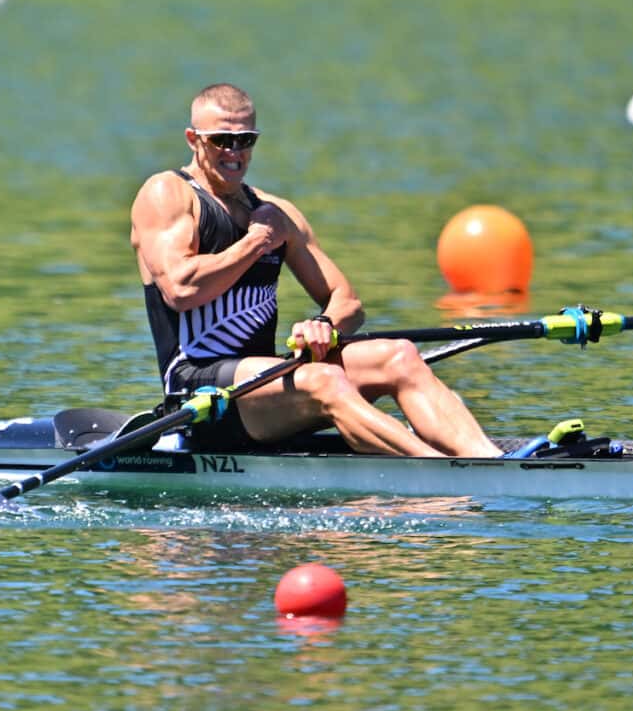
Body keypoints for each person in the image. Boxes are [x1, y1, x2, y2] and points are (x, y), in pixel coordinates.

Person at [130, 83, 502, 457]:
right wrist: (257, 241)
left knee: (400, 356)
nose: (235, 152)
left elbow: (347, 302)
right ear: (193, 139)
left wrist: (323, 324)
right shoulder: (168, 193)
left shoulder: (276, 211)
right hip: (200, 393)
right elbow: (181, 289)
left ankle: (489, 461)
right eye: (222, 140)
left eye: (245, 139)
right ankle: (438, 471)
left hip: (265, 384)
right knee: (325, 378)